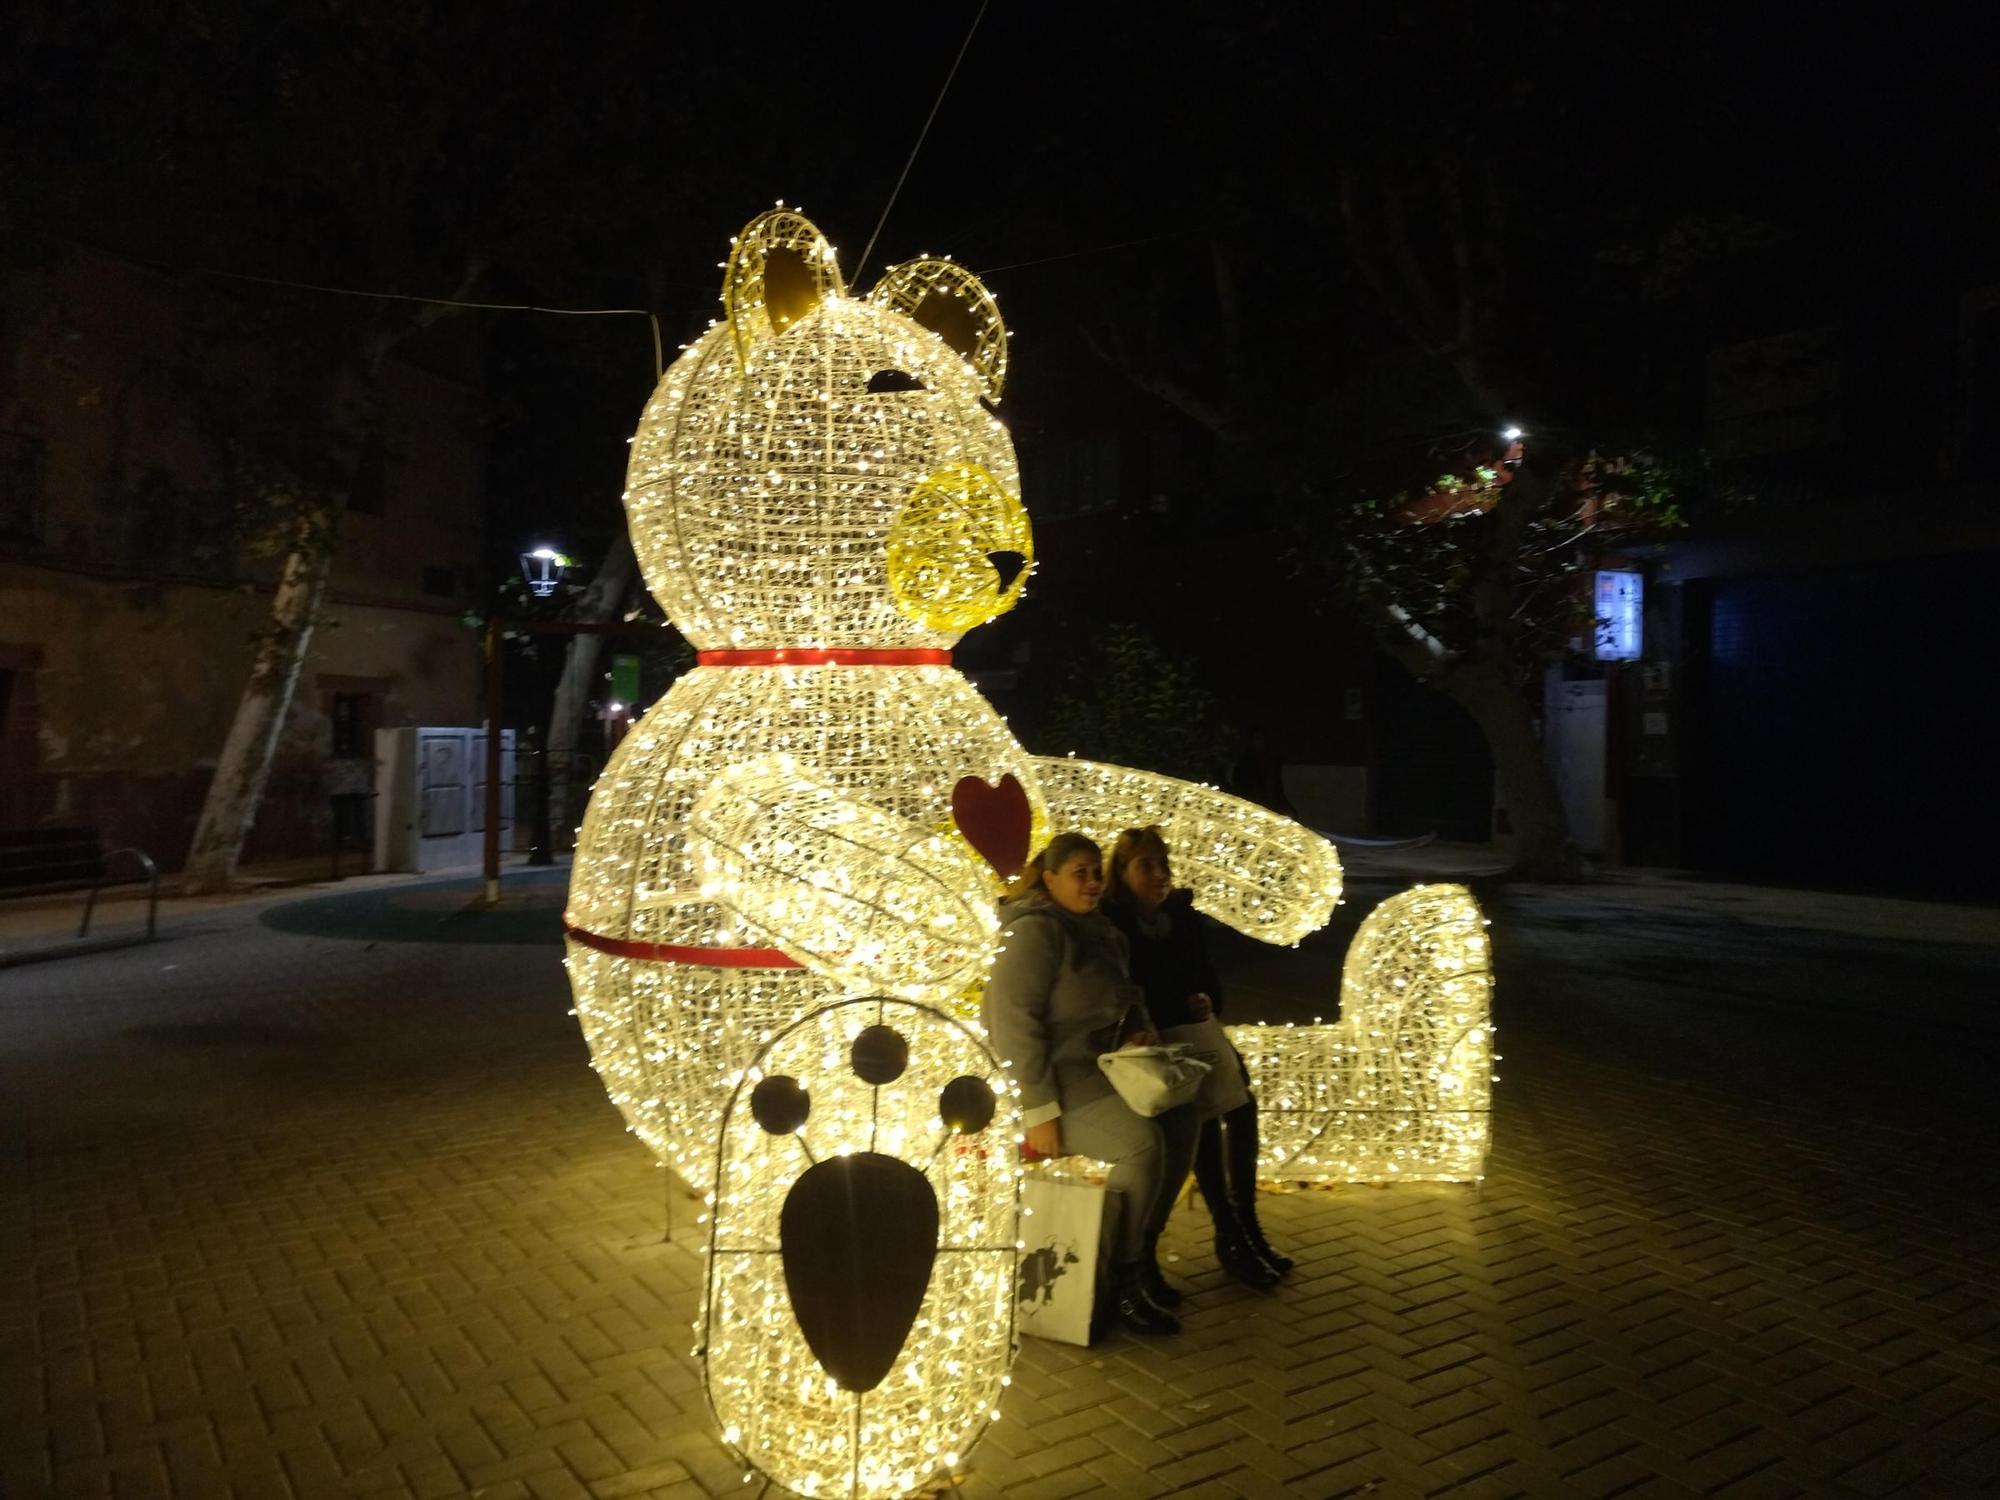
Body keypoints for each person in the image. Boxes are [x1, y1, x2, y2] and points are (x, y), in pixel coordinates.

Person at [981, 832, 1199, 1336]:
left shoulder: (1099, 931)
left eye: (1096, 872)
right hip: (1057, 1078)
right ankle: (1121, 1284)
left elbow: (1128, 991)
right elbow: (1012, 1025)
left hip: (1106, 1067)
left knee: (1183, 1117)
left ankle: (1142, 1249)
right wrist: (1039, 1112)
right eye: (1079, 872)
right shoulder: (1035, 933)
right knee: (1139, 1147)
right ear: (1050, 877)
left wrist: (1139, 1025)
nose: (1093, 882)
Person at [1102, 825, 1293, 1288]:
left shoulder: (1182, 916)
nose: (1160, 875)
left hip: (1196, 1034)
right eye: (1146, 865)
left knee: (1242, 1107)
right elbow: (1128, 992)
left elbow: (1206, 977)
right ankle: (1228, 1233)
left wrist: (1206, 998)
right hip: (1155, 1044)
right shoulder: (1113, 923)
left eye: (1163, 865)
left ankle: (1245, 1223)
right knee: (1203, 1115)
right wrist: (1172, 1007)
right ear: (1123, 874)